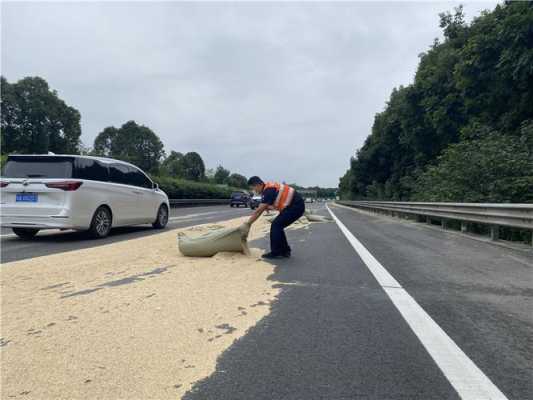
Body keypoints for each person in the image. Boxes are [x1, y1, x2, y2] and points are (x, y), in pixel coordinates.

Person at [240, 176, 305, 259]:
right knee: (278, 226)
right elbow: (276, 202)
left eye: (253, 188)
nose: (254, 191)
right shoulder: (268, 188)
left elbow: (258, 211)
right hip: (294, 206)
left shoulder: (268, 190)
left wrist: (248, 224)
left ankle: (276, 252)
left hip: (295, 207)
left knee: (276, 225)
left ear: (258, 185)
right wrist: (267, 207)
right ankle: (285, 251)